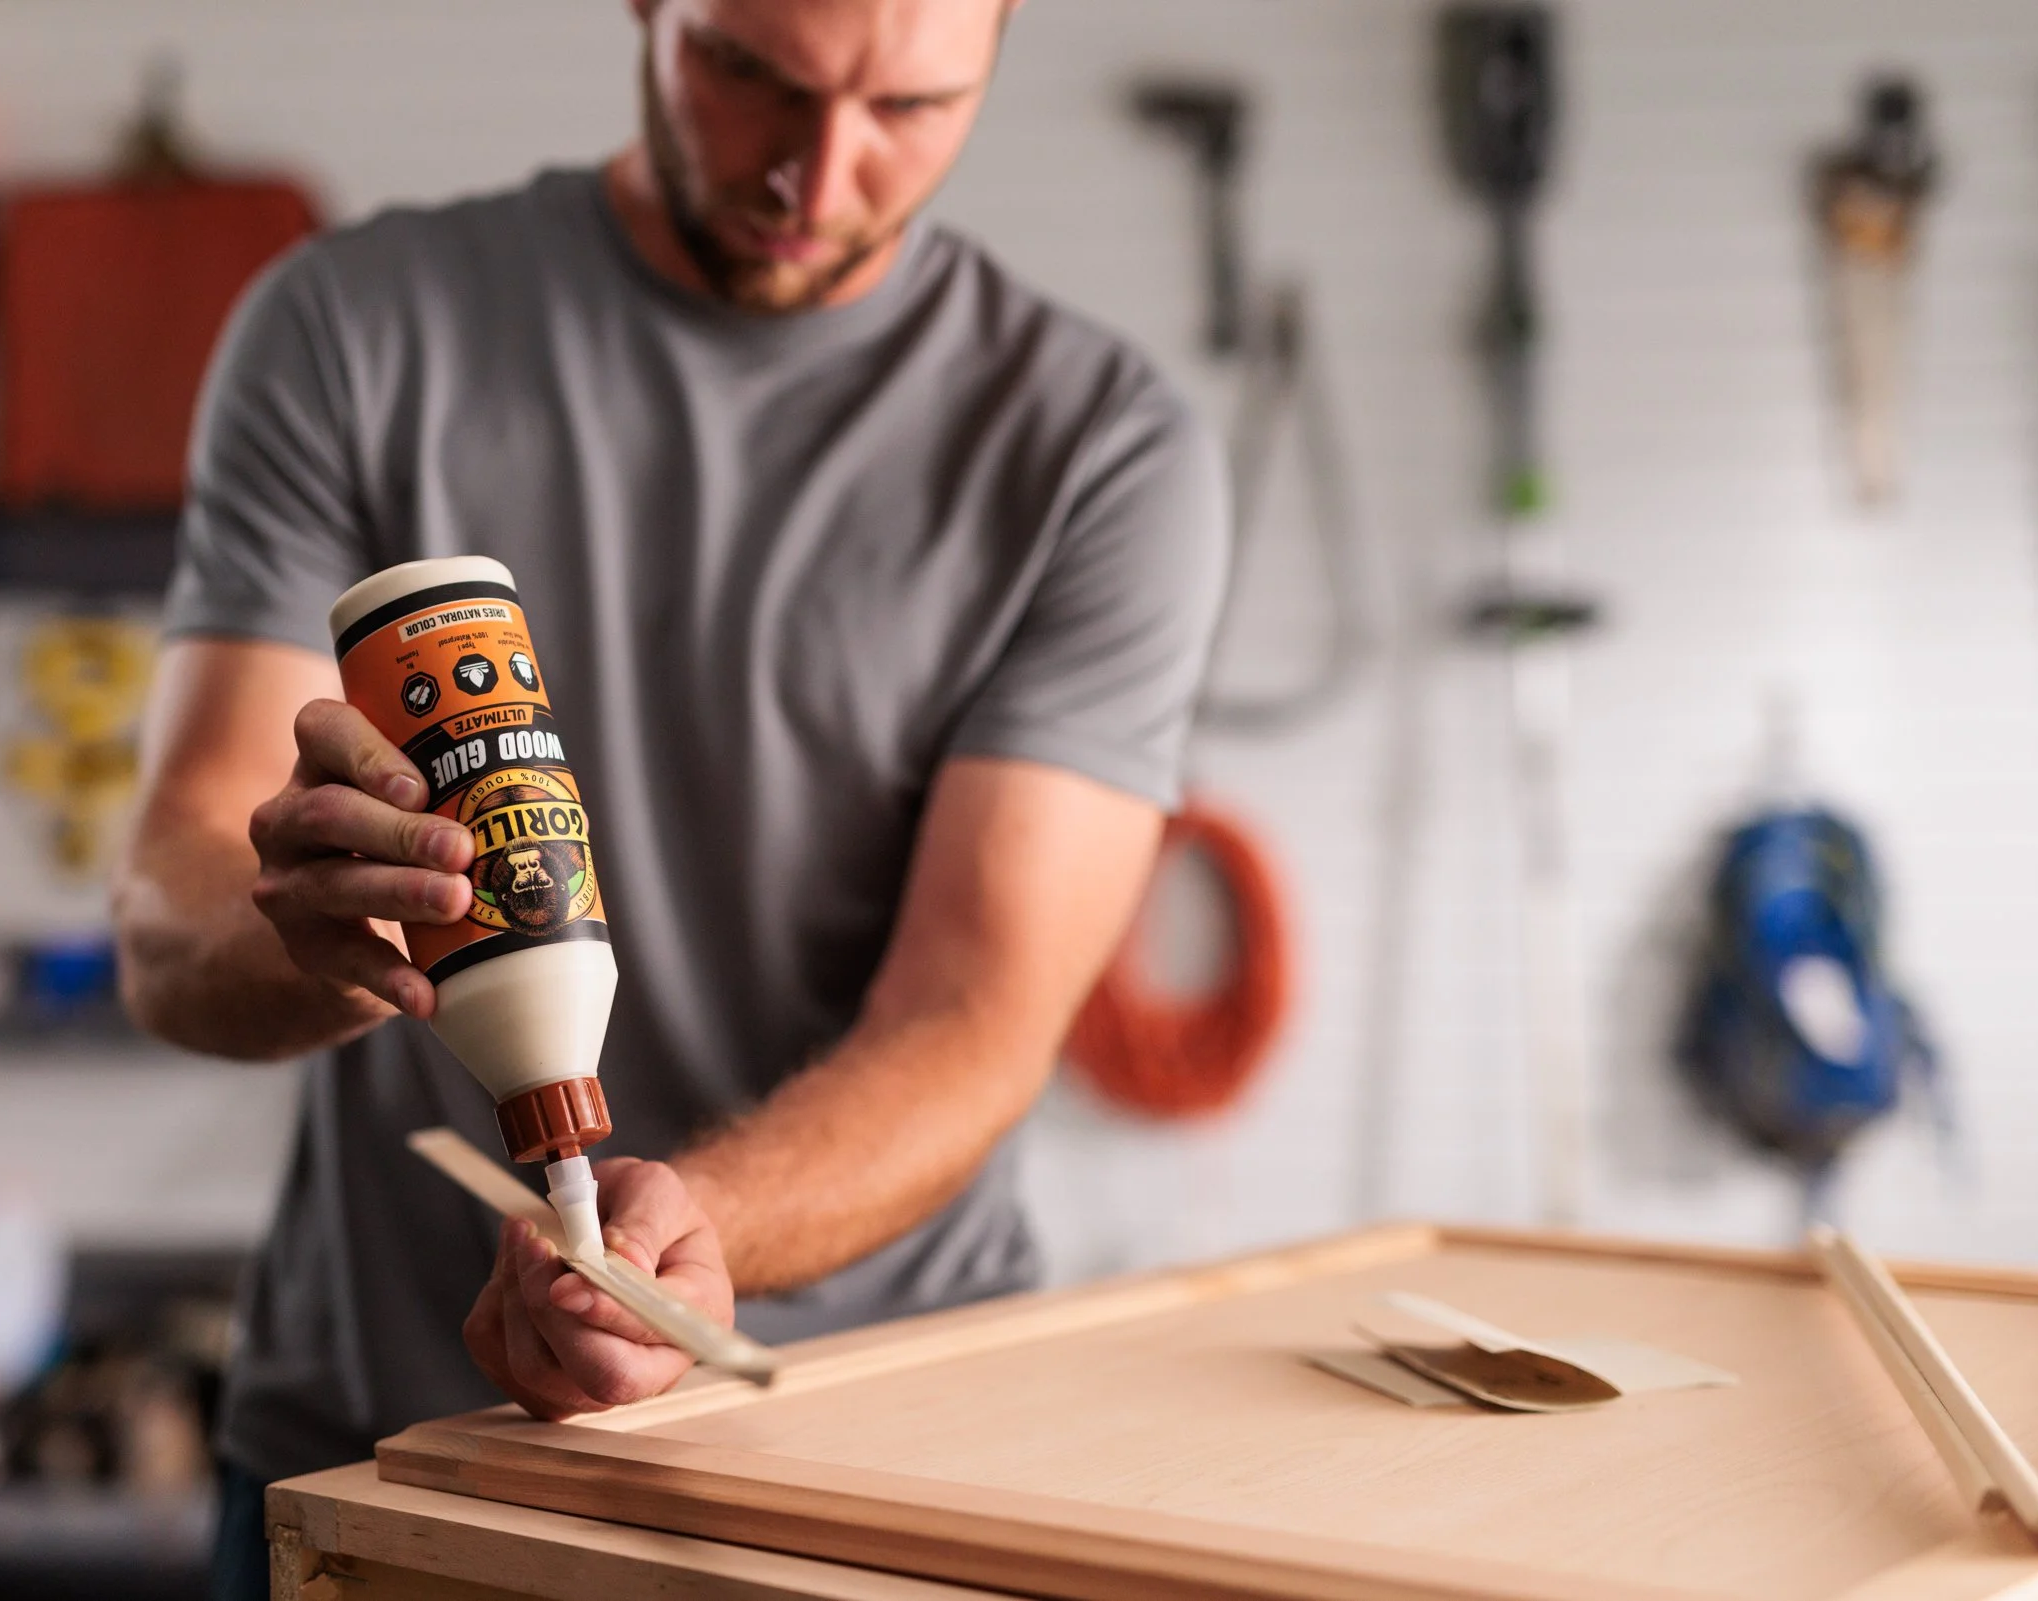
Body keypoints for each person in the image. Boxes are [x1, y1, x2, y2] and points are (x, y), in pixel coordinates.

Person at [110, 0, 1228, 1593]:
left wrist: (683, 1239)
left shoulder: (1100, 453)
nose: (817, 173)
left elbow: (973, 1020)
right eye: (753, 75)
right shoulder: (355, 328)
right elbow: (168, 921)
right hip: (386, 1467)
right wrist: (298, 932)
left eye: (909, 104)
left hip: (870, 1475)